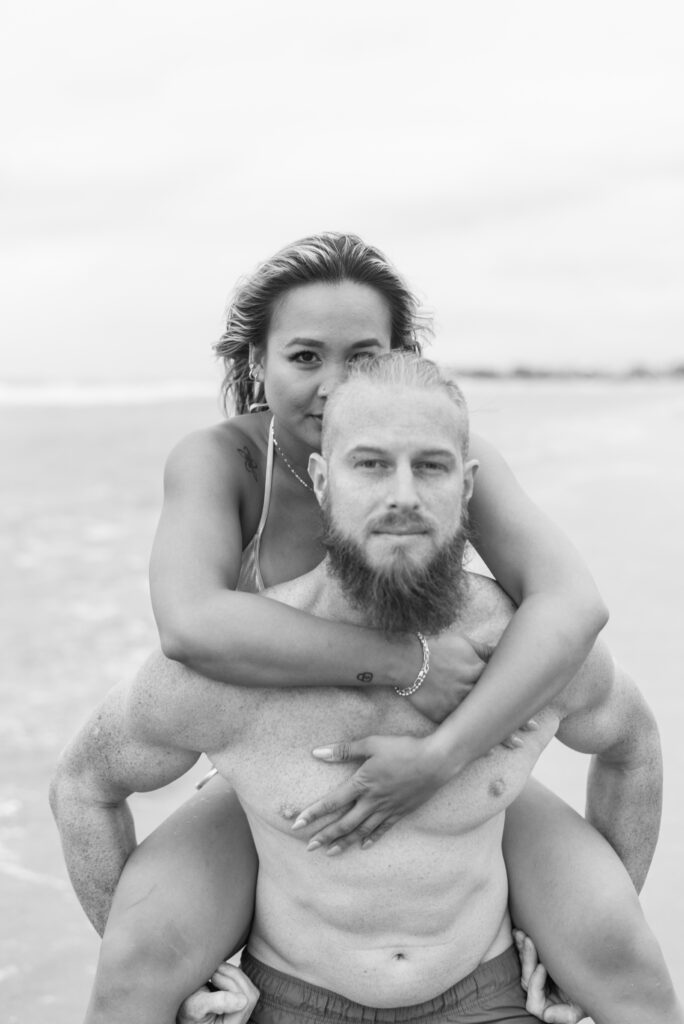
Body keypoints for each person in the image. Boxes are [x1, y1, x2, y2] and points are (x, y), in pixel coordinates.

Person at [55, 232, 619, 1022]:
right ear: (257, 362)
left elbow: (571, 605)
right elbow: (189, 624)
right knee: (137, 967)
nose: (330, 385)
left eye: (361, 357)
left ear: (398, 361)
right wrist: (407, 662)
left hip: (452, 759)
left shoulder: (434, 455)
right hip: (279, 767)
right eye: (304, 357)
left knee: (617, 954)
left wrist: (441, 756)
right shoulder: (224, 462)